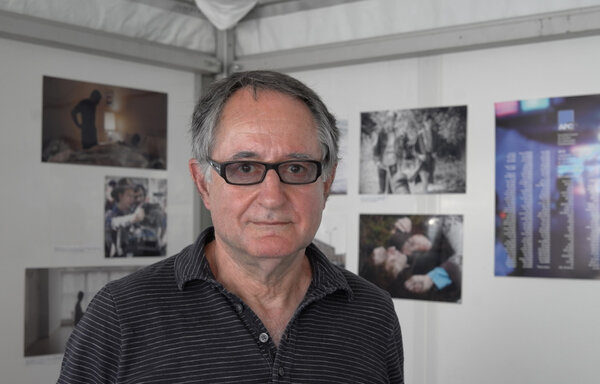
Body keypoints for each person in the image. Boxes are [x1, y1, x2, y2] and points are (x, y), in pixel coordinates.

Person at [58, 71, 404, 383]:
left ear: (325, 184)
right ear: (203, 183)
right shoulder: (120, 316)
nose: (272, 197)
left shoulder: (373, 313)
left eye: (296, 168)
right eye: (244, 168)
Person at [104, 178, 145, 257]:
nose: (132, 199)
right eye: (129, 196)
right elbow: (113, 222)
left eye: (133, 196)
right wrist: (133, 218)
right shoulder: (110, 214)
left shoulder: (130, 212)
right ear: (120, 196)